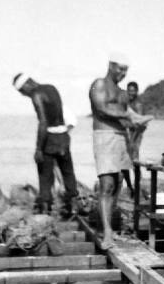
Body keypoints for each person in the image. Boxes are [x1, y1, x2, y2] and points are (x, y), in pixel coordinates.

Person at [89, 53, 151, 249]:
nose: (123, 74)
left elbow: (129, 117)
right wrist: (128, 116)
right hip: (105, 136)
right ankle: (107, 232)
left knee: (117, 184)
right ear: (110, 65)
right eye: (120, 69)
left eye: (126, 70)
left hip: (121, 139)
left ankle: (108, 227)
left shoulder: (123, 93)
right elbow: (100, 109)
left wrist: (138, 122)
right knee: (106, 184)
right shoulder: (99, 84)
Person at [12, 73, 79, 216]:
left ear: (27, 84)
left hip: (51, 139)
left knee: (45, 177)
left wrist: (38, 149)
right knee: (68, 172)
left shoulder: (36, 95)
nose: (24, 95)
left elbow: (43, 122)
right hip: (63, 137)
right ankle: (72, 207)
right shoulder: (51, 88)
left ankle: (46, 210)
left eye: (22, 91)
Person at [121, 81, 151, 198]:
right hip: (128, 135)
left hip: (136, 135)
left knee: (134, 161)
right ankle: (130, 187)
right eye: (129, 91)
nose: (131, 93)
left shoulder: (138, 105)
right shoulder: (126, 103)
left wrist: (133, 141)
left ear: (137, 91)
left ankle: (137, 186)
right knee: (124, 163)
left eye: (133, 91)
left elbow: (140, 124)